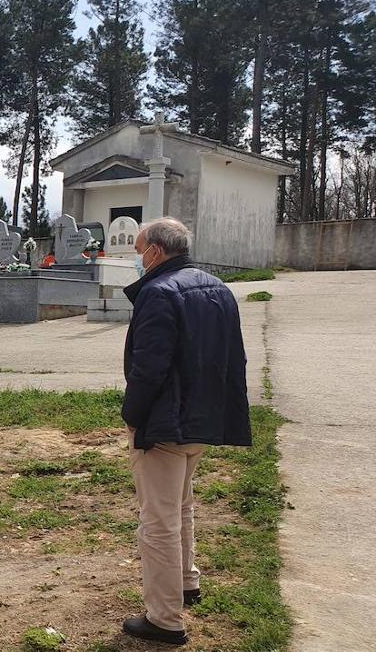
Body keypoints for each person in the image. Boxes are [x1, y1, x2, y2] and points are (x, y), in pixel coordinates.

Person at [120, 218, 251, 645]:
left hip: (164, 422)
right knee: (181, 506)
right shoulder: (218, 287)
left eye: (140, 251)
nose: (139, 260)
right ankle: (187, 580)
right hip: (203, 417)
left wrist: (133, 415)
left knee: (157, 520)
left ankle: (164, 619)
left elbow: (150, 367)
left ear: (156, 252)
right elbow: (234, 357)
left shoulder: (158, 293)